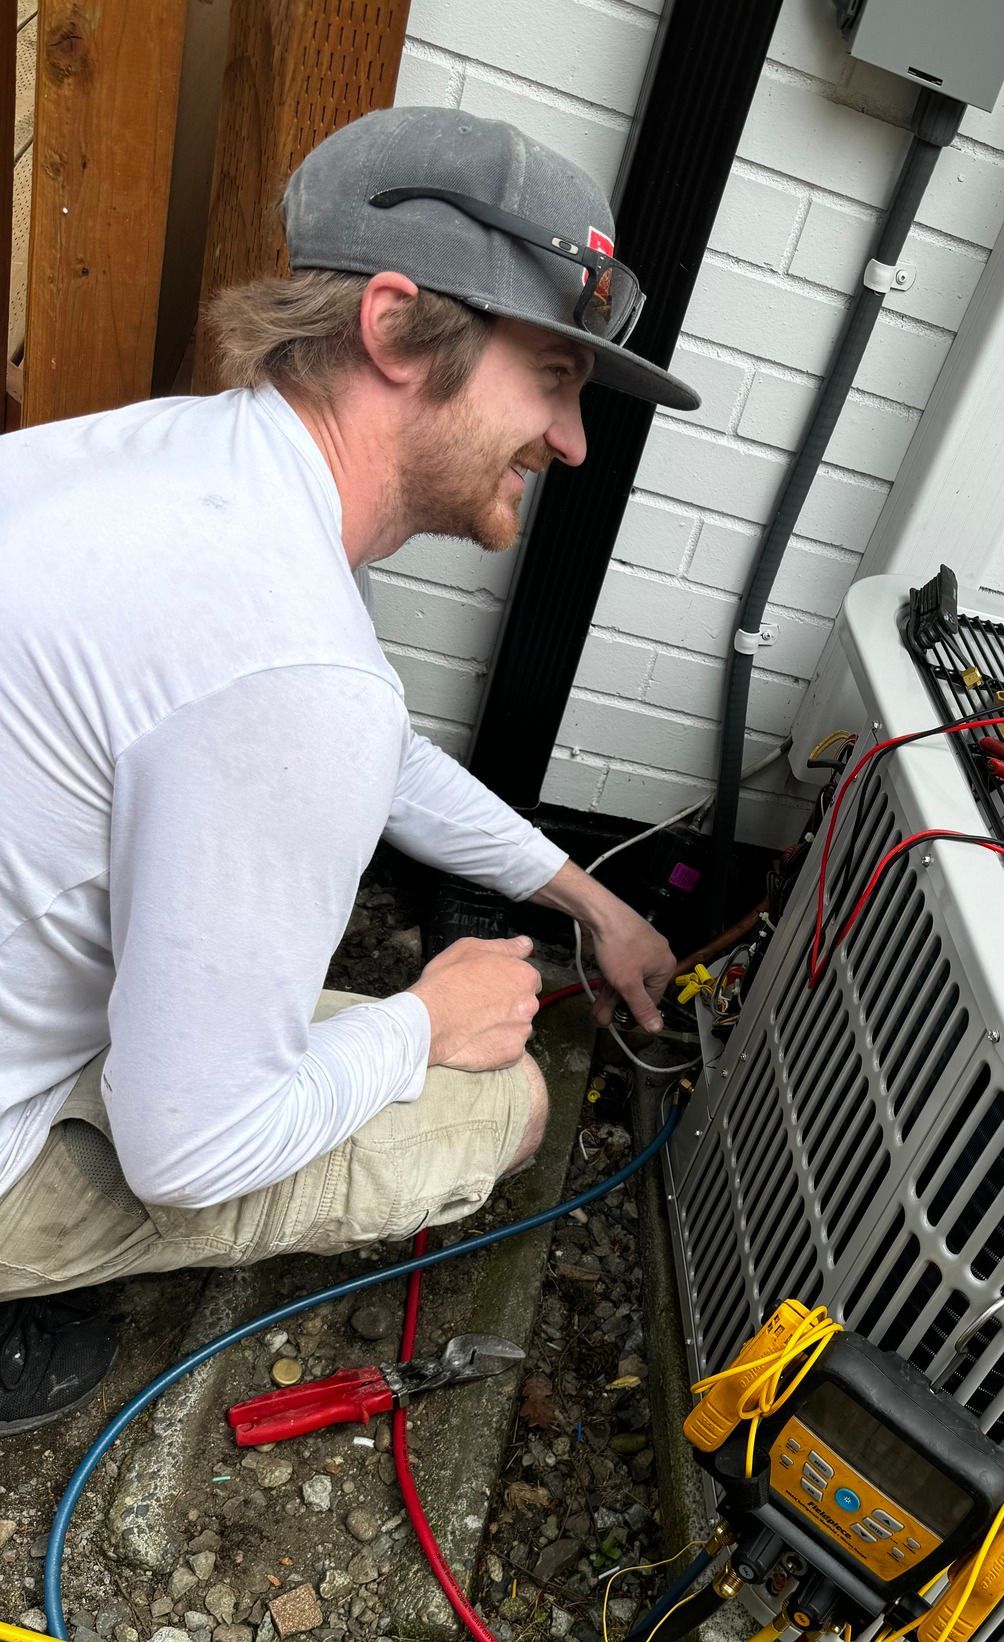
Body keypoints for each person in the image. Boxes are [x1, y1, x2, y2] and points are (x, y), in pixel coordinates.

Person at [0, 106, 700, 1432]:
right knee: (499, 1101)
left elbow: (356, 751)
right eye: (551, 375)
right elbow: (193, 1152)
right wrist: (422, 1025)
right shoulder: (284, 657)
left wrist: (589, 902)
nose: (571, 439)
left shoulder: (175, 464)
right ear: (394, 326)